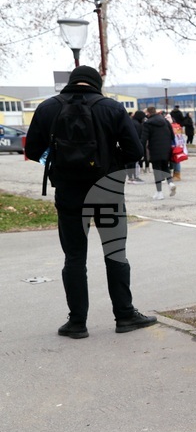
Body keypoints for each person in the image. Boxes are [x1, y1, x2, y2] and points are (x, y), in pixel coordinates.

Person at [24, 65, 158, 338]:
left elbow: (33, 150)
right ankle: (124, 315)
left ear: (72, 83)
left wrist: (59, 161)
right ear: (96, 84)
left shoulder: (48, 108)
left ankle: (77, 323)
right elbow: (134, 150)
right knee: (115, 253)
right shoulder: (111, 107)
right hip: (107, 192)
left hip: (69, 194)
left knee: (74, 257)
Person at [140, 106, 177, 200]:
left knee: (157, 170)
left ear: (148, 113)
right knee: (165, 166)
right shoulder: (165, 121)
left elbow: (144, 139)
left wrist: (140, 149)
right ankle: (170, 183)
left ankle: (159, 192)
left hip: (154, 149)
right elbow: (172, 135)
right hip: (166, 148)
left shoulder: (147, 123)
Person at [126, 110, 146, 184]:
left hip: (128, 145)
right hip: (135, 145)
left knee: (130, 163)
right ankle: (134, 177)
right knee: (135, 162)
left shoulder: (131, 122)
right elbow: (138, 136)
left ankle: (130, 177)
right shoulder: (138, 124)